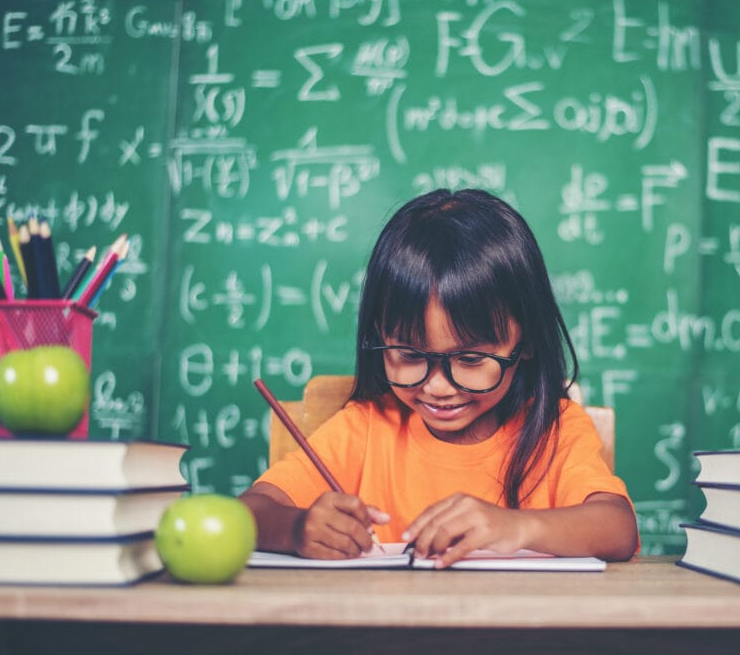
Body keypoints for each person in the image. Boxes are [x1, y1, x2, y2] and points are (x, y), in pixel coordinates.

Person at [240, 188, 639, 567]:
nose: (437, 386)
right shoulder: (364, 429)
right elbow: (249, 511)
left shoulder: (555, 429)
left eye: (469, 358)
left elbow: (618, 528)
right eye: (410, 355)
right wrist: (295, 529)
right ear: (378, 336)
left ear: (527, 342)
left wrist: (515, 526)